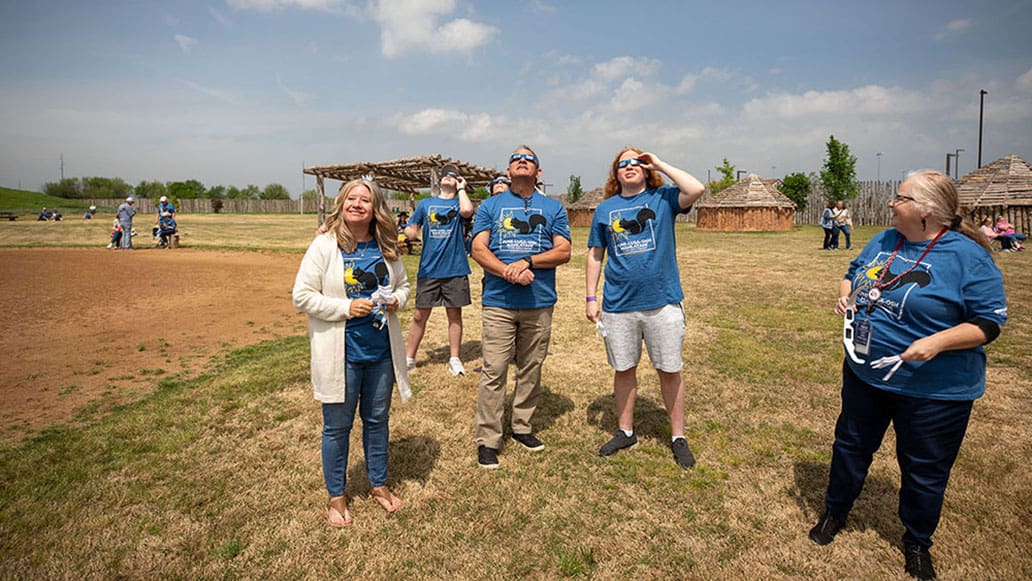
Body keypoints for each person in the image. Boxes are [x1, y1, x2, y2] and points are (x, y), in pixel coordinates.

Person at [810, 171, 1007, 580]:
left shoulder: (967, 257)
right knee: (850, 446)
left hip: (935, 390)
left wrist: (936, 343)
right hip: (866, 374)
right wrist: (847, 294)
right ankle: (836, 511)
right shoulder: (885, 240)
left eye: (900, 197)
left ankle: (917, 541)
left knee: (924, 467)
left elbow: (988, 323)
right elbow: (854, 269)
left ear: (926, 211)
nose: (891, 203)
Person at [292, 178, 411, 527]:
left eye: (366, 200)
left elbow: (403, 287)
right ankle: (337, 496)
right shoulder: (324, 246)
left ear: (376, 208)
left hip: (381, 353)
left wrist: (395, 301)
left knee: (377, 421)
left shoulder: (386, 245)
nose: (358, 204)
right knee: (337, 427)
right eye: (352, 199)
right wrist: (346, 308)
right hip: (340, 353)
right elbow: (302, 296)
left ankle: (378, 485)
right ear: (341, 203)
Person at [585, 147, 706, 469]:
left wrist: (660, 163)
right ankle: (626, 431)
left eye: (636, 162)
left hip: (662, 302)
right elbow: (596, 254)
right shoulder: (605, 209)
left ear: (646, 168)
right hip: (618, 305)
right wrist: (590, 297)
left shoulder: (663, 199)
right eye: (622, 164)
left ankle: (678, 436)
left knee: (669, 369)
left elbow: (696, 189)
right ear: (615, 173)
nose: (629, 167)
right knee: (623, 369)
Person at [470, 146, 571, 469]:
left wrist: (528, 261)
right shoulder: (491, 205)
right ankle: (488, 439)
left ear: (538, 173)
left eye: (529, 158)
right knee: (494, 369)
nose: (522, 161)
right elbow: (477, 248)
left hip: (539, 301)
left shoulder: (553, 208)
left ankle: (522, 427)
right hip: (499, 300)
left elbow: (564, 251)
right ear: (509, 170)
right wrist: (508, 271)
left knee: (531, 365)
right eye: (516, 159)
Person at [404, 164, 475, 376]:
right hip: (429, 268)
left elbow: (467, 211)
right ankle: (409, 358)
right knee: (419, 315)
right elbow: (411, 227)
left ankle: (454, 358)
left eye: (453, 176)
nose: (448, 177)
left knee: (454, 314)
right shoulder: (426, 204)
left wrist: (462, 188)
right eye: (445, 175)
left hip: (455, 268)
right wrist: (409, 232)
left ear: (458, 182)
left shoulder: (459, 203)